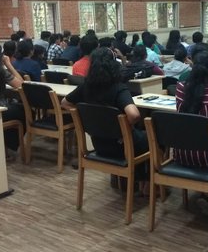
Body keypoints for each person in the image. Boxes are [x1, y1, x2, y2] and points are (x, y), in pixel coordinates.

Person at [61, 47, 149, 185]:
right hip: (122, 145)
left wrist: (82, 114)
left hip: (99, 143)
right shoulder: (118, 88)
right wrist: (124, 128)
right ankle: (148, 185)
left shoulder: (86, 87)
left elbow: (65, 102)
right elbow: (134, 115)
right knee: (153, 139)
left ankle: (123, 179)